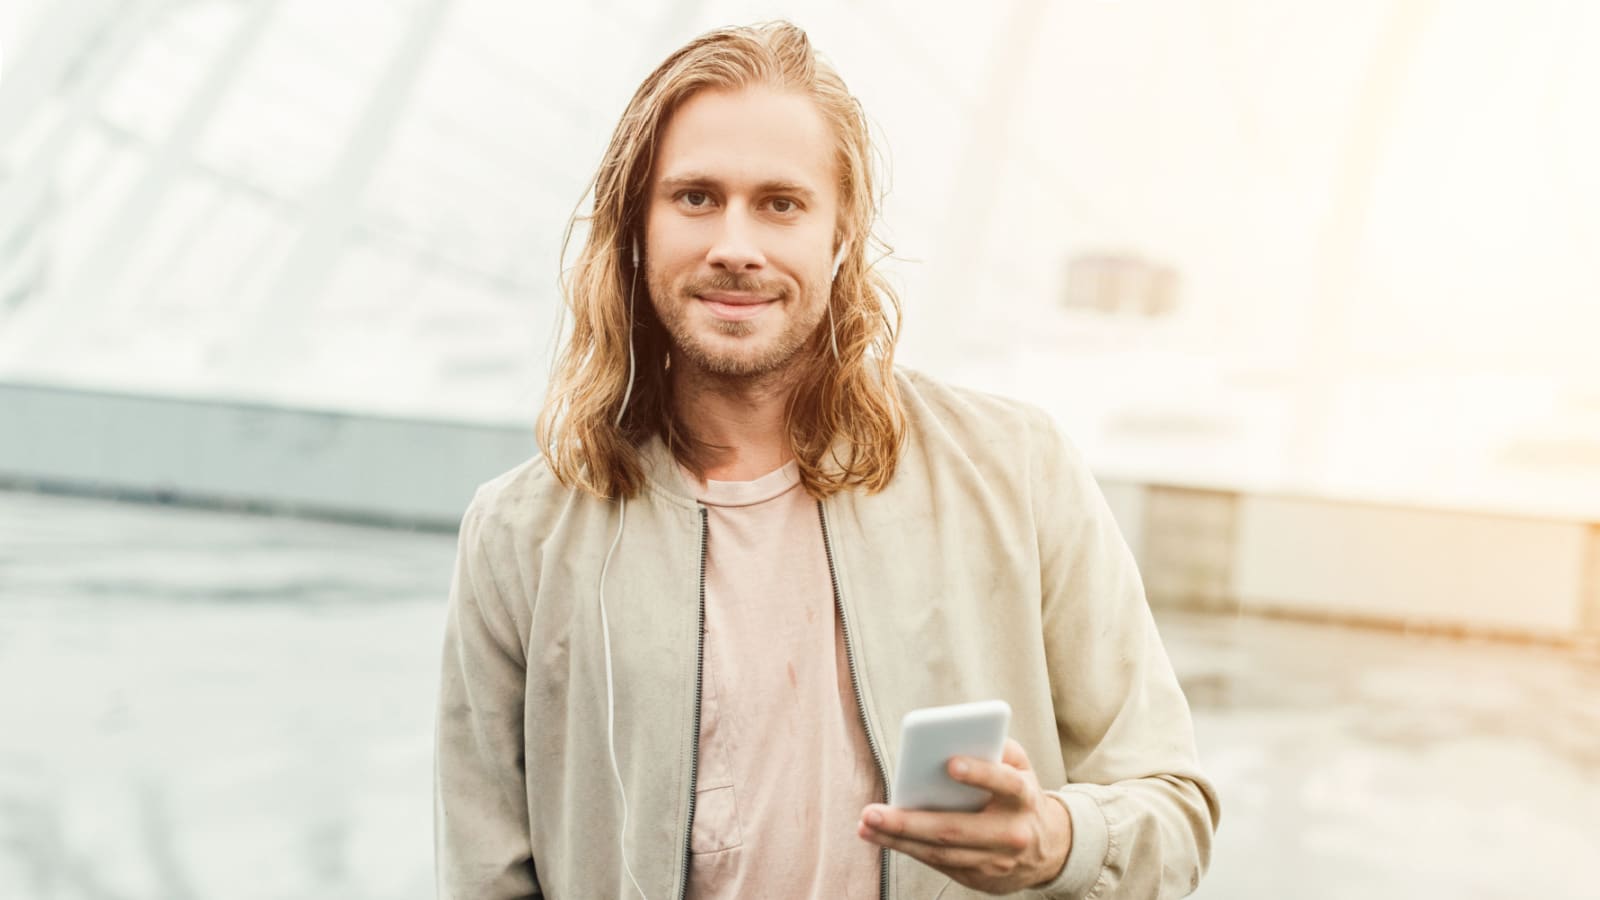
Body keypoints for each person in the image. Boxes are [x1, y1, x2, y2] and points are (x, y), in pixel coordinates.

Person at [434, 20, 1220, 900]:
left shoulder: (1018, 473)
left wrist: (1055, 840)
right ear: (635, 228)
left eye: (781, 203)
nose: (737, 244)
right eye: (695, 197)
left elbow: (1174, 814)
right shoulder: (517, 537)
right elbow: (484, 876)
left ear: (841, 235)